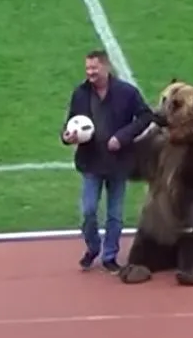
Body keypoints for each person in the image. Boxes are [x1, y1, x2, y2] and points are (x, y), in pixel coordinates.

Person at [61, 50, 153, 273]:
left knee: (115, 214)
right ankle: (93, 247)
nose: (90, 72)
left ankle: (110, 255)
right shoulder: (80, 94)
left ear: (106, 67)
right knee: (89, 210)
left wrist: (121, 137)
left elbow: (145, 116)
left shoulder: (126, 92)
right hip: (90, 162)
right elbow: (69, 125)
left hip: (118, 163)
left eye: (94, 68)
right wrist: (67, 137)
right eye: (88, 69)